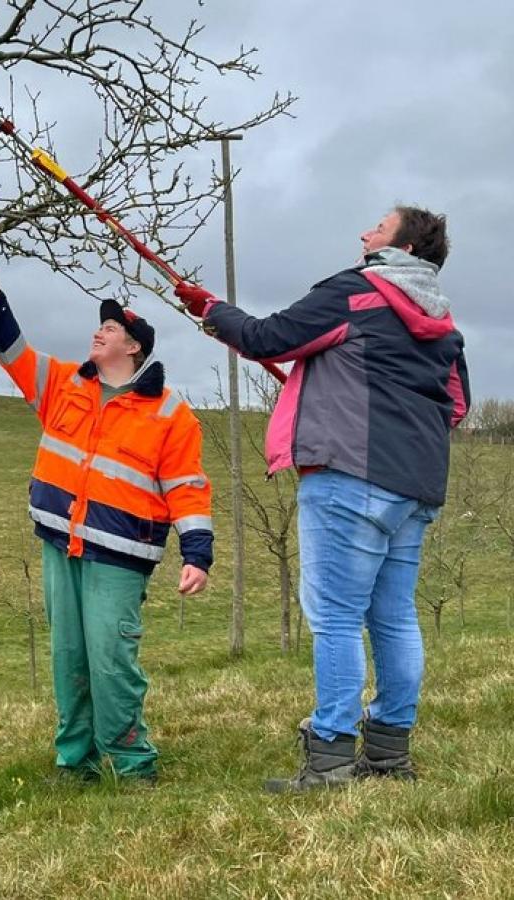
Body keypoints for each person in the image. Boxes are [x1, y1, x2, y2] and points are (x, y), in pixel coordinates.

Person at [174, 206, 470, 792]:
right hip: (414, 487)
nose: (363, 233)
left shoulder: (357, 290)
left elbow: (267, 338)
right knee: (393, 616)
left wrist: (210, 310)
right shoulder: (446, 324)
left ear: (403, 249)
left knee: (334, 618)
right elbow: (455, 407)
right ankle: (388, 756)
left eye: (378, 228)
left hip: (348, 476)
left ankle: (329, 757)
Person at [0, 263, 212, 782]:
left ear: (134, 349)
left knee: (110, 661)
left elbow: (187, 486)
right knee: (68, 659)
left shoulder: (171, 414)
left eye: (113, 329)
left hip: (120, 556)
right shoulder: (64, 384)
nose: (99, 331)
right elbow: (14, 353)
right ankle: (74, 762)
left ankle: (131, 763)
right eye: (100, 326)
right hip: (61, 544)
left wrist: (197, 554)